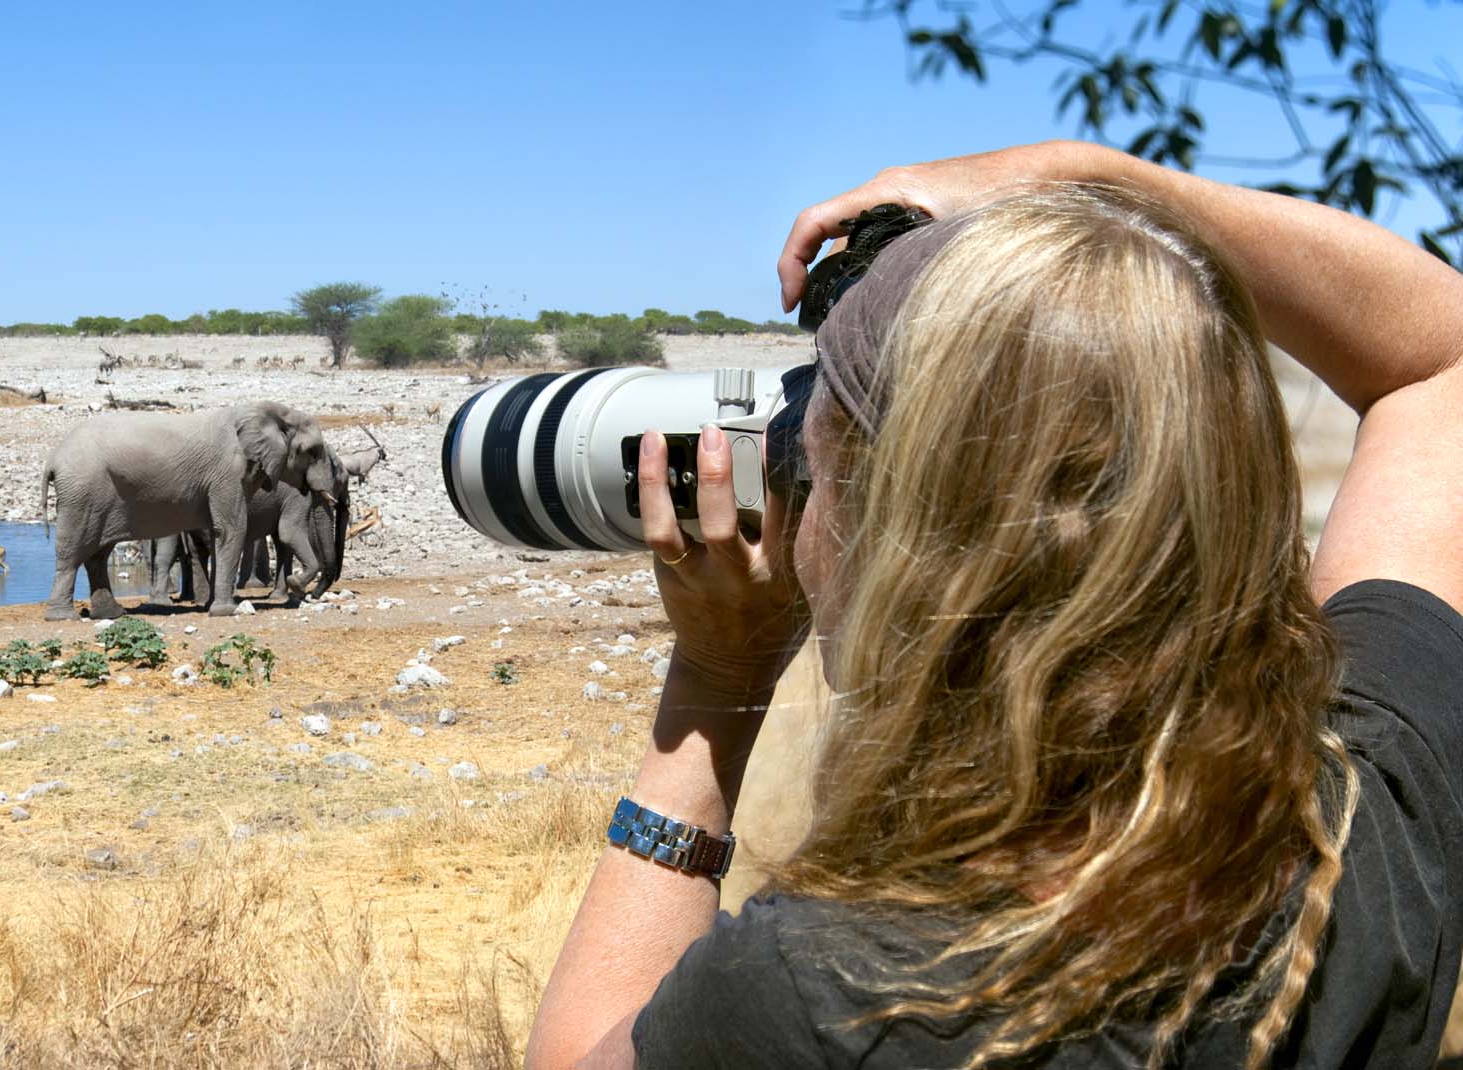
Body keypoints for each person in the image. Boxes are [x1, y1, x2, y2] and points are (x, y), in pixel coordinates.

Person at [525, 140, 1463, 1069]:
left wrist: (712, 687)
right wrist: (1085, 178)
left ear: (898, 545)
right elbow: (1440, 364)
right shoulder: (1360, 823)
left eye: (815, 466)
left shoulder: (838, 992)